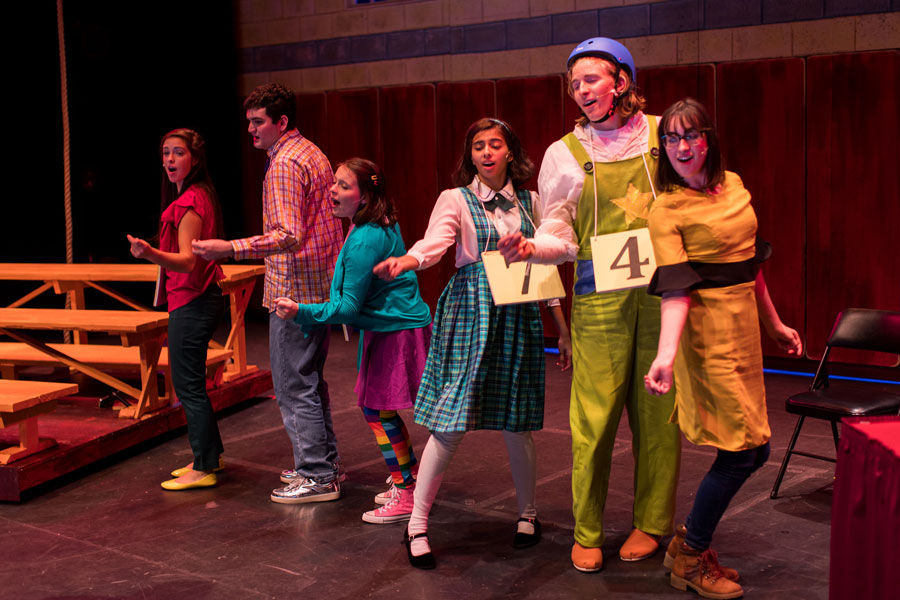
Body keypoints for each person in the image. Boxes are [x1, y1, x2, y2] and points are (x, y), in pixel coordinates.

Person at [498, 37, 680, 571]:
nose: (581, 91)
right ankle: (589, 528)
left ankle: (651, 523)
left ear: (622, 81)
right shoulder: (565, 152)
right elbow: (561, 232)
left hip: (660, 297)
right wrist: (535, 248)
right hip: (599, 300)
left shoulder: (659, 134)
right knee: (593, 422)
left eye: (592, 79)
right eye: (574, 83)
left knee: (657, 417)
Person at [373, 118, 572, 570]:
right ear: (471, 155)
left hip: (517, 315)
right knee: (451, 421)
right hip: (472, 314)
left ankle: (528, 515)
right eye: (478, 146)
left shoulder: (532, 202)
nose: (486, 153)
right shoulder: (456, 199)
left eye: (495, 145)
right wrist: (407, 261)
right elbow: (436, 242)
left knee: (517, 421)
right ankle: (417, 524)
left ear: (509, 152)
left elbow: (544, 268)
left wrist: (562, 327)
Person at [644, 98, 802, 599]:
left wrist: (774, 324)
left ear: (709, 138)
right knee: (743, 452)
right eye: (670, 138)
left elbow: (748, 267)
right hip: (706, 337)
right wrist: (666, 356)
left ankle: (688, 542)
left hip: (744, 335)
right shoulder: (665, 208)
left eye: (690, 135)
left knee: (753, 449)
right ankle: (690, 557)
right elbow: (675, 291)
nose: (681, 147)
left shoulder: (734, 186)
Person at [192, 83, 344, 503]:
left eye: (258, 122)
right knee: (309, 380)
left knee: (294, 384)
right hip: (318, 287)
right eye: (248, 122)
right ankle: (324, 465)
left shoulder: (284, 164)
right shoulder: (310, 151)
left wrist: (231, 248)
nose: (251, 130)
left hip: (294, 292)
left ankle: (315, 474)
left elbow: (289, 235)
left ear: (281, 122)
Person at [274, 158, 431, 524]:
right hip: (390, 328)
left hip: (394, 332)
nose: (333, 190)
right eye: (335, 183)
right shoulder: (375, 223)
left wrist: (301, 311)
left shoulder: (364, 239)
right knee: (380, 410)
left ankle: (406, 491)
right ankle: (408, 481)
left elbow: (346, 307)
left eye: (344, 186)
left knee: (377, 411)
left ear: (363, 197)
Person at [127, 128, 226, 491]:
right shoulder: (193, 196)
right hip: (191, 298)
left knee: (187, 385)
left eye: (178, 153)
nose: (169, 159)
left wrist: (148, 252)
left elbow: (187, 262)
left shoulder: (189, 202)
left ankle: (204, 467)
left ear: (195, 160)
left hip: (193, 299)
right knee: (188, 383)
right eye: (166, 153)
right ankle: (207, 457)